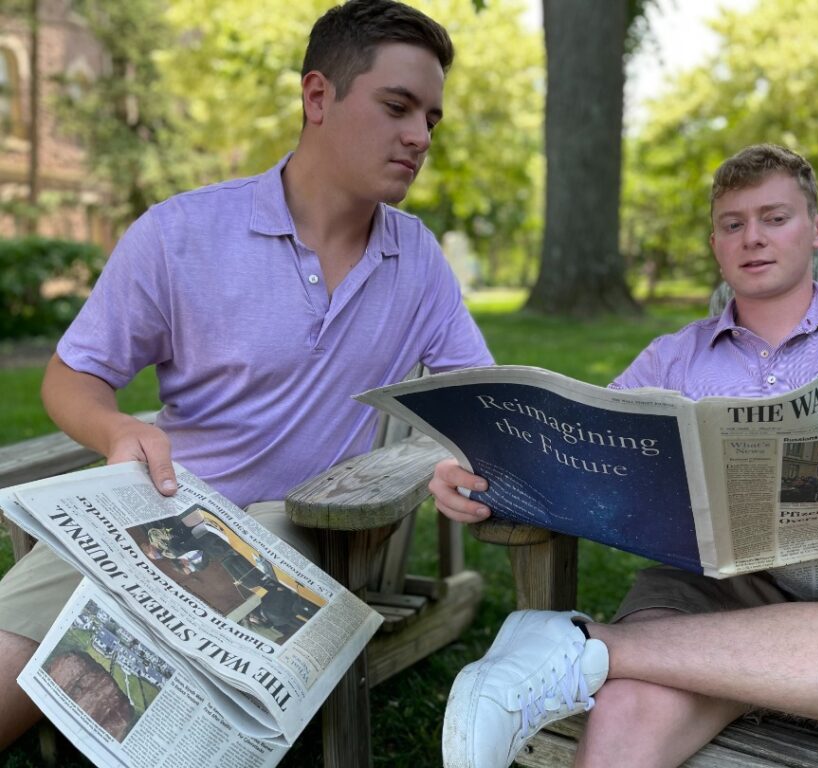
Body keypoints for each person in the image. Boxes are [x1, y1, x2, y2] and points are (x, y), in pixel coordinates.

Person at [431, 144, 818, 768]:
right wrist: (477, 476)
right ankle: (692, 662)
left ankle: (587, 645)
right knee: (628, 728)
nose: (753, 238)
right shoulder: (671, 361)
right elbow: (574, 453)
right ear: (715, 244)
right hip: (718, 593)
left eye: (775, 218)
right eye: (733, 224)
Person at [0, 0, 493, 749]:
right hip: (152, 520)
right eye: (398, 107)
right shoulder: (181, 234)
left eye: (433, 118)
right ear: (318, 96)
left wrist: (464, 457)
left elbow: (479, 402)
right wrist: (118, 426)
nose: (420, 137)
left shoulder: (416, 259)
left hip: (300, 536)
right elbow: (73, 378)